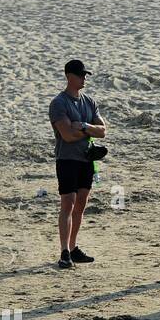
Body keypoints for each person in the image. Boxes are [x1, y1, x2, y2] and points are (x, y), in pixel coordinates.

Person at [49, 60, 107, 270]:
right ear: (69, 76)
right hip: (67, 159)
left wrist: (82, 126)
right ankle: (64, 251)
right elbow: (67, 135)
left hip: (86, 160)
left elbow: (102, 131)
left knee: (81, 203)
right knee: (68, 203)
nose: (84, 78)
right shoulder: (59, 103)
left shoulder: (89, 101)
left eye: (85, 75)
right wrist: (87, 131)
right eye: (81, 75)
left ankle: (73, 248)